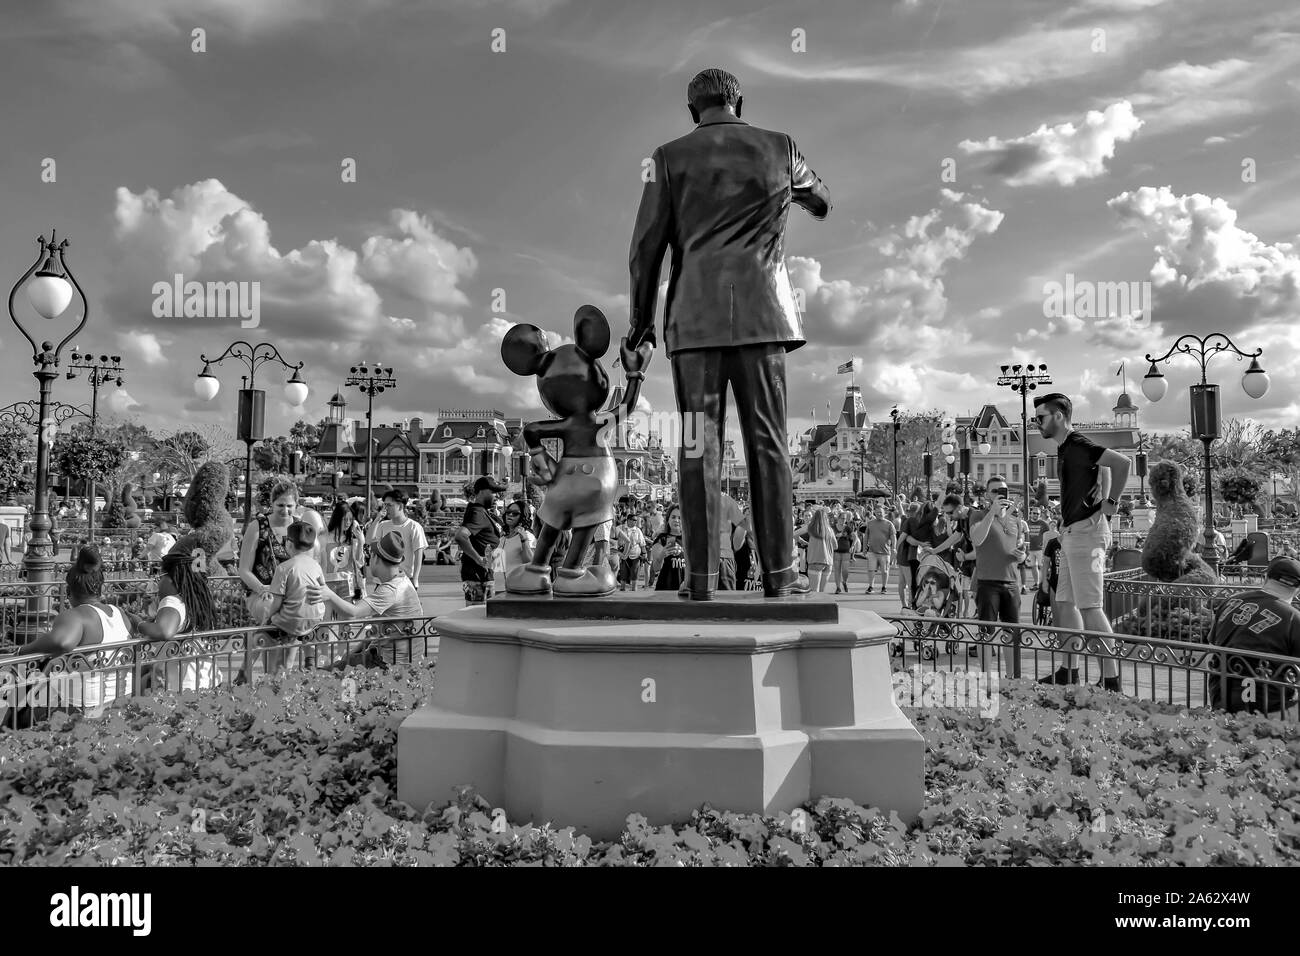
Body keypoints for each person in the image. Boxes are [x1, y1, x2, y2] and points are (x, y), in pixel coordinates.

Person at [623, 67, 828, 599]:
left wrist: (640, 326)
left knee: (697, 447)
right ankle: (781, 578)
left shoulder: (667, 158)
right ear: (739, 101)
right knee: (770, 443)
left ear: (694, 111)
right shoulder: (780, 147)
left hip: (694, 320)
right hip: (765, 314)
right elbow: (822, 200)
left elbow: (645, 249)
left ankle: (701, 580)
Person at [1033, 392, 1130, 691]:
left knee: (1090, 607)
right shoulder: (1066, 448)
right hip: (1074, 533)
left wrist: (1109, 503)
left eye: (1041, 417)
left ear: (1059, 416)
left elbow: (1121, 463)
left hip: (1088, 535)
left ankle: (1111, 679)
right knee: (1065, 602)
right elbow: (1102, 471)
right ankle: (1069, 670)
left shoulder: (1076, 444)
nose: (1038, 423)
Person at [9, 548, 133, 723]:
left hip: (82, 707)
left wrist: (23, 650)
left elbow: (62, 642)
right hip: (121, 698)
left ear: (69, 592)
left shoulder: (75, 615)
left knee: (21, 713)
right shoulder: (118, 612)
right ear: (100, 589)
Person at [309, 530, 424, 664]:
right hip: (398, 656)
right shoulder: (402, 580)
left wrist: (328, 594)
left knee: (326, 675)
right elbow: (375, 633)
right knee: (341, 664)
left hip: (391, 664)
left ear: (376, 558)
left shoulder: (390, 590)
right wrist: (352, 653)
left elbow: (353, 612)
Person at [1207, 557, 1300, 714]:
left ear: (1266, 577)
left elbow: (1211, 648)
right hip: (1270, 708)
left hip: (1222, 696)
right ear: (1297, 589)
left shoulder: (1231, 601)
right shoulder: (1293, 618)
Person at [131, 534, 221, 693]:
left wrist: (138, 622)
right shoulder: (198, 599)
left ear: (174, 578)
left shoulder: (172, 601)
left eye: (161, 576)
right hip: (206, 677)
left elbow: (164, 631)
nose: (159, 582)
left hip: (180, 685)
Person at [969, 476, 1027, 660]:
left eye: (1003, 490)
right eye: (994, 491)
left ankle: (1012, 682)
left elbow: (1019, 551)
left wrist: (1022, 555)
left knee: (1011, 635)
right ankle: (986, 682)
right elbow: (977, 539)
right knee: (986, 634)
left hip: (1011, 583)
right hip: (987, 583)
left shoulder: (1014, 520)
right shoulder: (978, 515)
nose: (999, 494)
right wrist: (992, 512)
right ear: (987, 495)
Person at [261, 520, 327, 675]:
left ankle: (268, 675)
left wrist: (267, 618)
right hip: (315, 618)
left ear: (289, 544)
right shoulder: (315, 565)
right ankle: (309, 660)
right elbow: (322, 588)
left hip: (291, 620)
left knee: (261, 634)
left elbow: (276, 602)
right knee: (299, 632)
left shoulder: (284, 568)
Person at [454, 476, 505, 605]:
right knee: (476, 617)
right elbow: (461, 536)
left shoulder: (481, 511)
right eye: (493, 492)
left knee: (482, 617)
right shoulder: (477, 512)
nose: (496, 496)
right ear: (481, 491)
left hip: (483, 575)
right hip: (478, 577)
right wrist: (478, 559)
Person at [367, 489, 428, 590]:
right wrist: (377, 519)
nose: (386, 509)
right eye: (384, 505)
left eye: (389, 505)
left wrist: (415, 579)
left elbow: (418, 554)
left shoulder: (413, 526)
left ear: (400, 506)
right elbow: (369, 541)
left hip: (405, 580)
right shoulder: (383, 525)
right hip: (383, 581)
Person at [326, 501, 366, 600]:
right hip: (327, 581)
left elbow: (359, 562)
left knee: (345, 614)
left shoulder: (352, 538)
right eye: (345, 519)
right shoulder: (324, 537)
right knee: (327, 614)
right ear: (337, 518)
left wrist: (361, 541)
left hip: (347, 582)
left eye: (350, 519)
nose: (348, 522)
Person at [797, 506, 835, 593]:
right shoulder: (829, 529)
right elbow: (835, 546)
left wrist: (803, 542)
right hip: (828, 562)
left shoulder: (810, 527)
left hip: (815, 561)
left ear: (814, 517)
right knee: (822, 592)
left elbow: (794, 534)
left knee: (814, 592)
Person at [649, 504, 687, 591]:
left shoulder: (690, 539)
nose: (676, 520)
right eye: (673, 517)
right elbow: (656, 568)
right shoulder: (661, 539)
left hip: (686, 589)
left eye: (680, 518)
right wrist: (662, 555)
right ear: (668, 519)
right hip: (666, 588)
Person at [861, 506, 895, 595]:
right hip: (872, 551)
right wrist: (864, 548)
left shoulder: (889, 524)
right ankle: (871, 586)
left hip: (885, 551)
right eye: (877, 512)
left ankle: (884, 587)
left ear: (884, 513)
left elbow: (893, 537)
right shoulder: (870, 523)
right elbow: (866, 537)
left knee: (885, 571)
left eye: (881, 512)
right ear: (874, 513)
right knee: (871, 570)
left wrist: (894, 547)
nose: (879, 514)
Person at [499, 500, 537, 576]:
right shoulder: (503, 537)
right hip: (500, 584)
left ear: (522, 517)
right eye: (508, 512)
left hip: (517, 584)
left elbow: (530, 562)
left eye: (515, 513)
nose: (510, 515)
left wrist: (524, 540)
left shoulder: (528, 536)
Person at [617, 515, 648, 591]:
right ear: (628, 520)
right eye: (634, 520)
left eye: (636, 520)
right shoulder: (620, 528)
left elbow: (642, 543)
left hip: (636, 554)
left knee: (635, 572)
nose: (635, 522)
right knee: (623, 572)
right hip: (623, 554)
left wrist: (644, 554)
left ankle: (634, 590)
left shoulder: (638, 530)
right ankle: (622, 589)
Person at [1023, 506, 1049, 593]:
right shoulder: (1026, 523)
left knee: (1042, 566)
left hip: (1040, 549)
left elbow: (1048, 534)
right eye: (1034, 513)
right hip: (1030, 549)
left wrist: (1046, 544)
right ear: (1030, 514)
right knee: (1033, 566)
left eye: (1038, 513)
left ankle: (1043, 583)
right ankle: (1036, 583)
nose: (1036, 515)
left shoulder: (1043, 523)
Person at [831, 516, 857, 594]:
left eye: (845, 519)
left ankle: (844, 581)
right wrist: (835, 536)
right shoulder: (833, 528)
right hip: (836, 551)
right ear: (838, 519)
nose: (843, 520)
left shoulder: (847, 528)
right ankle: (838, 587)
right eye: (842, 518)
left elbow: (855, 537)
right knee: (837, 570)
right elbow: (828, 537)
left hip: (846, 551)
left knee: (845, 570)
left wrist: (852, 546)